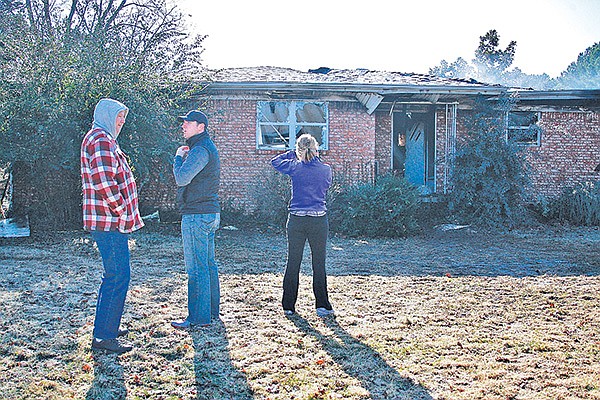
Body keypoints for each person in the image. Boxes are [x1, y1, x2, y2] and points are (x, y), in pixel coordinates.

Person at [81, 98, 144, 354]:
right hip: (109, 222)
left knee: (115, 275)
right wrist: (122, 213)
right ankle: (104, 337)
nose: (122, 122)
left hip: (109, 221)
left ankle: (107, 327)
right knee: (118, 276)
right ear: (106, 115)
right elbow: (105, 183)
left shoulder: (102, 138)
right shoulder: (101, 140)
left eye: (123, 118)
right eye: (118, 116)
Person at [271, 134, 334, 317]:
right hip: (318, 220)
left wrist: (293, 154)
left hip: (296, 220)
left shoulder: (294, 167)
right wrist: (311, 155)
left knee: (293, 262)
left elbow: (275, 161)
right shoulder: (325, 169)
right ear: (316, 149)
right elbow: (326, 186)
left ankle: (288, 306)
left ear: (299, 150)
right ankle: (322, 306)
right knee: (318, 263)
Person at [171, 110, 221, 329]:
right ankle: (210, 314)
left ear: (201, 127)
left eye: (188, 123)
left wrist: (177, 158)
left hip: (197, 215)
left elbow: (182, 179)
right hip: (207, 213)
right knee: (208, 265)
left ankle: (198, 319)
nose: (183, 126)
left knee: (197, 268)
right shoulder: (204, 147)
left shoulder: (200, 150)